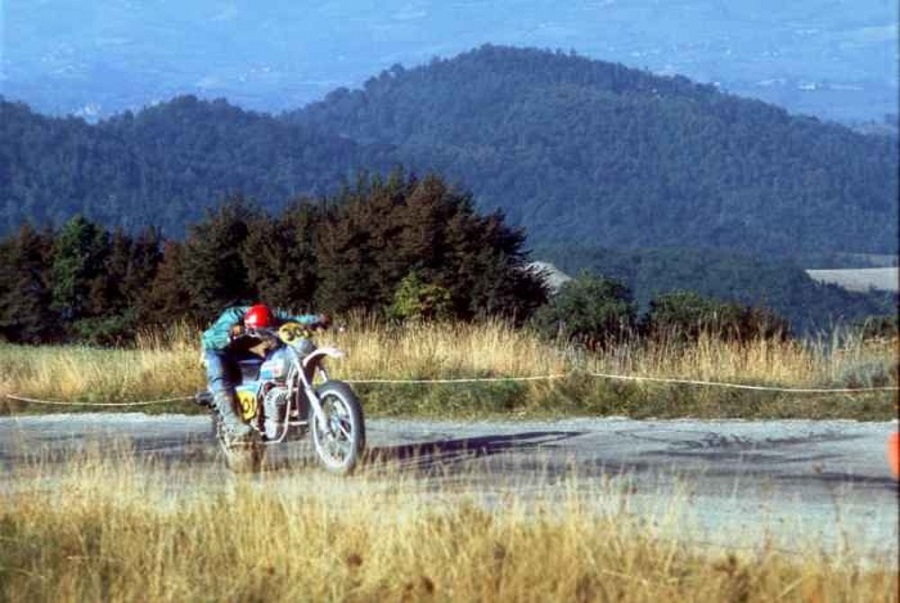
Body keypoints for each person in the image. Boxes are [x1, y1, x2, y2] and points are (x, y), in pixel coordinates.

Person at [201, 303, 329, 441]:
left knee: (265, 370)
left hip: (239, 352)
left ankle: (266, 412)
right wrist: (231, 332)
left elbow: (292, 320)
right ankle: (232, 421)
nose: (264, 333)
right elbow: (212, 336)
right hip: (215, 350)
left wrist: (316, 320)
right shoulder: (233, 316)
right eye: (262, 330)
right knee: (219, 372)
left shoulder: (269, 316)